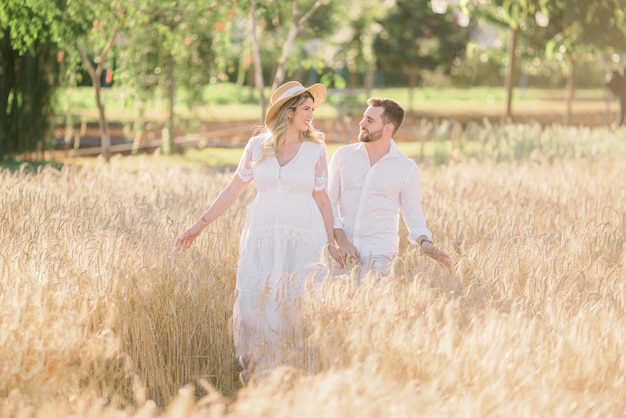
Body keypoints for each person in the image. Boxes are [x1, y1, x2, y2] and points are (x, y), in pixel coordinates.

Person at [175, 81, 340, 382]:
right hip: (262, 235)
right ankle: (264, 377)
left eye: (312, 110)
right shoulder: (256, 147)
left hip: (302, 235)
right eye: (306, 109)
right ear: (289, 111)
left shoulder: (316, 149)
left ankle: (300, 377)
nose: (310, 116)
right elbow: (233, 189)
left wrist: (331, 242)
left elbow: (322, 198)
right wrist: (199, 225)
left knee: (297, 302)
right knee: (259, 303)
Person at [328, 97, 452, 281]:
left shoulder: (405, 167)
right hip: (342, 254)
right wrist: (342, 240)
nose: (361, 123)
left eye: (369, 121)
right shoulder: (343, 157)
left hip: (381, 256)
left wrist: (425, 244)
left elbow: (413, 215)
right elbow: (328, 201)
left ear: (388, 128)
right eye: (363, 118)